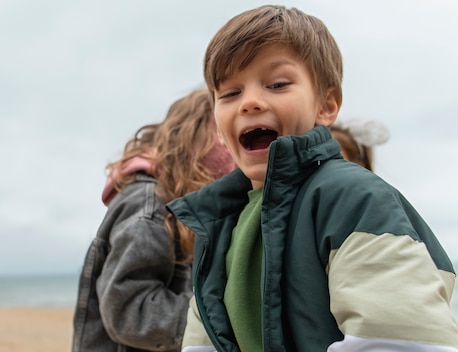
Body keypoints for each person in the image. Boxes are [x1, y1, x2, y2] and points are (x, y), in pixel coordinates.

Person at [166, 5, 458, 352]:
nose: (250, 102)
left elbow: (398, 340)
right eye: (230, 93)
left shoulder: (355, 199)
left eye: (277, 84)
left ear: (328, 105)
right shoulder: (217, 223)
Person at [72, 87, 236, 352]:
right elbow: (128, 311)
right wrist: (221, 313)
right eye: (222, 135)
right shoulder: (149, 205)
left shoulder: (177, 203)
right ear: (193, 139)